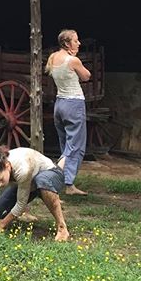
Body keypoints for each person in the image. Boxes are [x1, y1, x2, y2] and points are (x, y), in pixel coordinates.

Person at [0, 146, 69, 241]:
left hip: (51, 175)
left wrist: (1, 226)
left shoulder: (22, 169)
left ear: (7, 166)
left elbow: (21, 204)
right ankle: (25, 213)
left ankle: (62, 228)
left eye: (0, 180)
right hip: (29, 184)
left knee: (41, 180)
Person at [45, 29, 91, 195]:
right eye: (76, 40)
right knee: (74, 147)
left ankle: (66, 182)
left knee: (66, 144)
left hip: (60, 104)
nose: (78, 43)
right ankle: (57, 180)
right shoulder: (73, 60)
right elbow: (86, 76)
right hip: (73, 104)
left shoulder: (53, 58)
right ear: (66, 43)